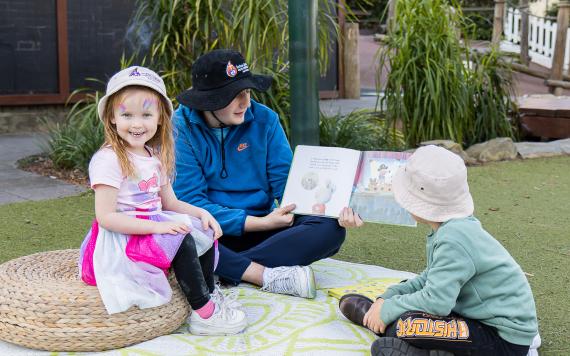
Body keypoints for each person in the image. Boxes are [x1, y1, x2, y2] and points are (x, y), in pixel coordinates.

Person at [172, 49, 363, 298]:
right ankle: (258, 274)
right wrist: (258, 222)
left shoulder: (266, 120)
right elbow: (190, 202)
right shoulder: (180, 127)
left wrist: (332, 208)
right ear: (209, 100)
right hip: (213, 229)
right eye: (234, 95)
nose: (246, 102)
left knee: (330, 229)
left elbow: (288, 188)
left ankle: (222, 267)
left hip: (263, 233)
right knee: (183, 231)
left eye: (248, 92)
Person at [77, 66, 247, 336]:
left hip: (152, 227)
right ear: (111, 117)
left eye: (146, 114)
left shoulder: (154, 156)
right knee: (180, 239)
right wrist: (159, 229)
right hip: (123, 237)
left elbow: (170, 204)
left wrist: (202, 214)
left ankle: (208, 295)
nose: (137, 124)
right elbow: (106, 218)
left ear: (160, 118)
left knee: (199, 229)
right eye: (126, 115)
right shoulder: (109, 160)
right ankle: (203, 313)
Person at [339, 145, 538, 356]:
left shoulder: (454, 238)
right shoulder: (450, 228)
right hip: (474, 319)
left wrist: (388, 310)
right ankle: (380, 319)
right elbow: (428, 279)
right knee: (408, 316)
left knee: (408, 325)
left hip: (503, 340)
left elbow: (436, 302)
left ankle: (383, 326)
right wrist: (386, 299)